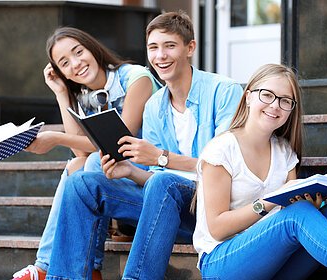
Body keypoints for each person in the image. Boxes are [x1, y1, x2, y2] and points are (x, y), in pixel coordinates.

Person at [44, 11, 244, 280]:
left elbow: (228, 170)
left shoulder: (224, 92)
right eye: (153, 48)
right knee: (81, 183)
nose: (161, 56)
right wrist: (129, 171)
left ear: (190, 48)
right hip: (164, 206)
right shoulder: (155, 106)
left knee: (165, 183)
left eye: (170, 46)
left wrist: (162, 158)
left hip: (211, 210)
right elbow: (155, 180)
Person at [193, 63, 327, 280]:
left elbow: (291, 209)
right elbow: (217, 228)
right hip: (223, 263)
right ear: (248, 97)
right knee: (298, 214)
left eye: (285, 101)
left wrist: (310, 204)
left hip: (275, 262)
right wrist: (268, 202)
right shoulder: (221, 150)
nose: (275, 105)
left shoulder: (283, 151)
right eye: (267, 95)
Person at [12, 26, 161, 280]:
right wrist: (61, 95)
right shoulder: (84, 96)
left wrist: (56, 138)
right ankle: (66, 266)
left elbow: (118, 142)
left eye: (78, 52)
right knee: (76, 166)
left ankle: (80, 264)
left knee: (92, 163)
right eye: (65, 63)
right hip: (114, 173)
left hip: (150, 172)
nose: (76, 64)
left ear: (92, 47)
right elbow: (78, 150)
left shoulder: (136, 78)